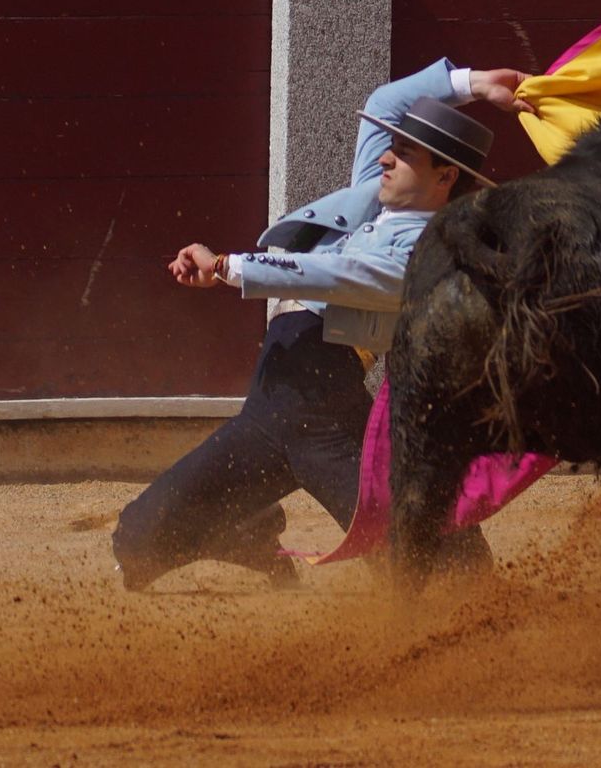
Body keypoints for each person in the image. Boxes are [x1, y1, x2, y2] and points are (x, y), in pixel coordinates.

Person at [112, 60, 532, 590]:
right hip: (273, 404)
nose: (386, 157)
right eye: (393, 147)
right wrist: (475, 85)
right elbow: (384, 105)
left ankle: (482, 599)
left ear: (444, 177)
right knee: (135, 543)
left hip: (322, 413)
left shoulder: (430, 253)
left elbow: (334, 274)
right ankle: (245, 530)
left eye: (405, 154)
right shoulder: (379, 196)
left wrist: (227, 267)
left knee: (419, 563)